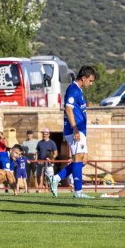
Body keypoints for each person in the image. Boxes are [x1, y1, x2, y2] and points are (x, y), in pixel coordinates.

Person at [47, 66, 96, 199]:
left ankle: (56, 178)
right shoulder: (73, 89)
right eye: (90, 81)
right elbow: (68, 109)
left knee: (84, 159)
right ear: (83, 78)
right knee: (78, 158)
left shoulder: (78, 90)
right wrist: (75, 129)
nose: (91, 84)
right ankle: (78, 192)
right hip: (74, 130)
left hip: (80, 130)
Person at [36, 128, 58, 193]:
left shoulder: (52, 143)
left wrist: (50, 159)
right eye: (43, 134)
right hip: (40, 161)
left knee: (49, 176)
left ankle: (48, 188)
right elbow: (37, 152)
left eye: (45, 134)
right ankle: (40, 188)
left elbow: (56, 153)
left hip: (49, 162)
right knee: (39, 175)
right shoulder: (39, 143)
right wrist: (37, 160)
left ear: (48, 134)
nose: (44, 135)